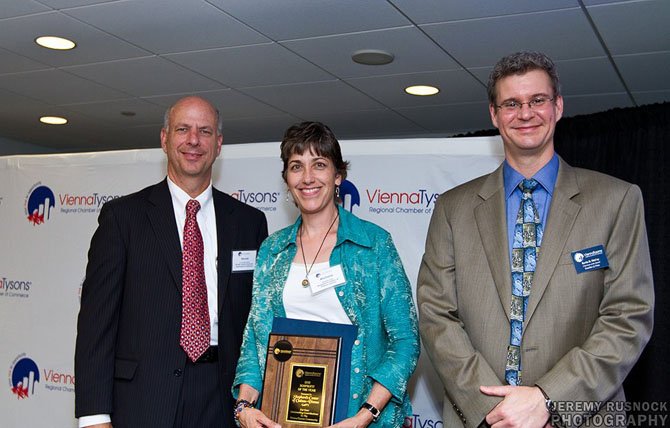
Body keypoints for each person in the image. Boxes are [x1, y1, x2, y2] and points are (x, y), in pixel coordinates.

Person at [417, 52, 654, 428]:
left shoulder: (616, 200)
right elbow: (436, 315)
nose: (525, 114)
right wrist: (495, 410)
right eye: (511, 103)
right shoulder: (452, 208)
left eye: (537, 100)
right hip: (480, 418)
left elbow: (628, 317)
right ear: (494, 115)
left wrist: (548, 399)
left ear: (558, 106)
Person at [74, 96, 268, 428]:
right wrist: (94, 417)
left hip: (224, 400)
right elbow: (96, 327)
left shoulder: (250, 223)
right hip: (144, 400)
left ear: (218, 144)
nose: (194, 140)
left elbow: (258, 321)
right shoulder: (123, 218)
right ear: (165, 139)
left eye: (205, 131)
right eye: (183, 129)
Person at [232, 121, 420, 427]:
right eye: (296, 166)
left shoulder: (374, 244)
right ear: (286, 179)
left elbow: (405, 342)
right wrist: (244, 407)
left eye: (319, 164)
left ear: (338, 176)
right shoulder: (272, 250)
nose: (307, 178)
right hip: (283, 416)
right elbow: (254, 343)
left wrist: (365, 416)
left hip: (359, 417)